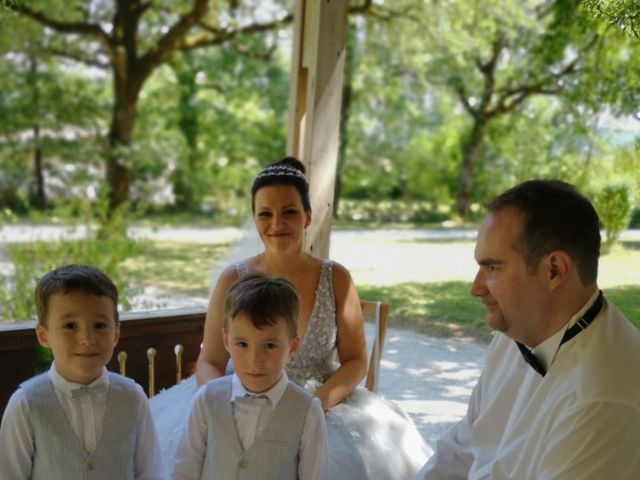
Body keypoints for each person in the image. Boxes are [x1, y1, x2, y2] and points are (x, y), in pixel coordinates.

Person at [150, 157, 430, 479]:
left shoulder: (336, 278)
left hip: (315, 403)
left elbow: (355, 362)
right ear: (255, 218)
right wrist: (221, 410)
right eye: (265, 214)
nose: (276, 223)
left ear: (308, 216)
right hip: (236, 394)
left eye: (289, 212)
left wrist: (317, 403)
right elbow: (210, 359)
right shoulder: (232, 278)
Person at [417, 179, 640, 479]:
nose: (476, 288)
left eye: (493, 268)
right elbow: (461, 451)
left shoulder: (603, 398)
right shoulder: (514, 335)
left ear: (554, 270)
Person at [0, 264, 167, 479]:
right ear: (44, 336)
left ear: (116, 334)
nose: (87, 339)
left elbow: (152, 472)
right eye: (70, 326)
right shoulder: (26, 404)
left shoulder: (133, 397)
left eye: (100, 325)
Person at [173, 273, 328, 479]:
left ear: (293, 346)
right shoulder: (206, 400)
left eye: (270, 345)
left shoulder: (307, 412)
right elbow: (184, 473)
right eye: (242, 344)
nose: (255, 360)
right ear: (227, 341)